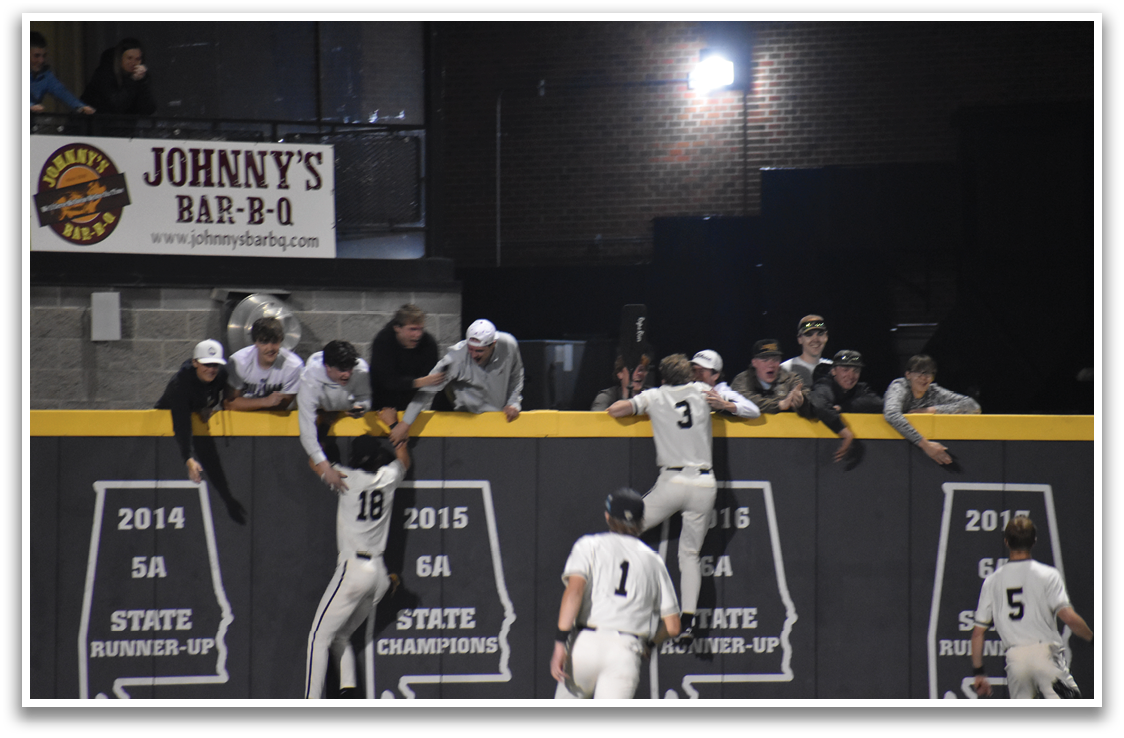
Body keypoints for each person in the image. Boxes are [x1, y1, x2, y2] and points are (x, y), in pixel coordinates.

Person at [607, 353, 712, 642]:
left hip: (673, 480)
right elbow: (740, 407)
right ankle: (687, 622)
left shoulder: (655, 395)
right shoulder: (701, 390)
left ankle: (625, 602)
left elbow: (614, 410)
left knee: (623, 534)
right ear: (689, 375)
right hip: (704, 483)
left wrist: (636, 398)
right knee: (690, 555)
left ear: (663, 378)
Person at [305, 411, 409, 699]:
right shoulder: (386, 478)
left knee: (318, 638)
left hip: (354, 570)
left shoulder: (347, 477)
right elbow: (404, 461)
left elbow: (315, 462)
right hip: (379, 574)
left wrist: (323, 423)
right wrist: (391, 424)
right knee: (340, 636)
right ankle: (349, 695)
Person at [551, 488, 681, 699]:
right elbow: (673, 626)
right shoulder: (653, 561)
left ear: (608, 516)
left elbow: (574, 592)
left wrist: (560, 644)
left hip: (587, 644)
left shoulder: (589, 545)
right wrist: (649, 644)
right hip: (626, 651)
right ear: (641, 521)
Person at [971, 516, 1092, 699]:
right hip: (1047, 661)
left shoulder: (992, 581)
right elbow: (1068, 617)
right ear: (1034, 541)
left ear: (1006, 542)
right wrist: (1092, 639)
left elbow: (978, 633)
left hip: (1016, 661)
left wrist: (979, 672)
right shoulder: (1047, 575)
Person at [390, 319, 523, 446]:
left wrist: (513, 403)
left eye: (479, 351)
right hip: (465, 423)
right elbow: (426, 391)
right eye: (470, 348)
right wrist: (405, 424)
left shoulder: (509, 345)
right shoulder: (455, 359)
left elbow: (516, 375)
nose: (473, 355)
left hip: (498, 422)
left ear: (493, 344)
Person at [298, 340, 372, 493]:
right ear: (328, 367)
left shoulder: (360, 370)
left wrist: (361, 407)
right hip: (320, 415)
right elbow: (307, 430)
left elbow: (365, 397)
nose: (347, 374)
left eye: (350, 369)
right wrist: (325, 468)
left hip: (344, 410)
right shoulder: (310, 379)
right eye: (342, 370)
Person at [154, 339, 231, 484]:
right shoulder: (180, 384)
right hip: (166, 430)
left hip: (191, 423)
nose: (211, 369)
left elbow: (214, 395)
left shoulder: (221, 376)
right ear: (195, 363)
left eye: (215, 365)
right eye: (206, 364)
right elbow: (181, 423)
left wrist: (209, 406)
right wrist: (188, 459)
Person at [883, 354, 981, 465]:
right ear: (908, 374)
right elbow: (891, 414)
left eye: (929, 373)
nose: (924, 377)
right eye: (919, 372)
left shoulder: (933, 391)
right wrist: (926, 445)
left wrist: (931, 410)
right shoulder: (899, 386)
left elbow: (973, 406)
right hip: (891, 447)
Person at [808, 350, 884, 463]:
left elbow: (878, 403)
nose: (851, 376)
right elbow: (820, 405)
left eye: (856, 371)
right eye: (845, 370)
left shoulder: (860, 388)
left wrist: (844, 407)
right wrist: (845, 433)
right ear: (833, 371)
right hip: (815, 452)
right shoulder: (824, 385)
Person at [368, 304, 442, 411]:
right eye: (412, 329)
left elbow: (430, 379)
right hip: (381, 401)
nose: (417, 334)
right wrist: (420, 382)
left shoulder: (428, 344)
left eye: (420, 329)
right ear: (397, 328)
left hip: (410, 402)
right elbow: (386, 381)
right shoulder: (383, 342)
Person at [224, 317, 303, 412]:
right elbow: (229, 404)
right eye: (264, 342)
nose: (270, 348)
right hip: (243, 418)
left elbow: (282, 406)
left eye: (274, 341)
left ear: (280, 341)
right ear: (255, 342)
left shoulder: (293, 366)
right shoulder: (239, 362)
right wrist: (265, 401)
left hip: (276, 419)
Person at [730, 339, 816, 418]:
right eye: (765, 360)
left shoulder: (791, 379)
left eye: (775, 360)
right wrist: (779, 405)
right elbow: (744, 401)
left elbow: (811, 402)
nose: (771, 364)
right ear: (754, 363)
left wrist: (802, 402)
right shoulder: (742, 380)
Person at [81, 37, 156, 116]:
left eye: (137, 59)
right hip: (97, 125)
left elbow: (149, 109)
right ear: (120, 58)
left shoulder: (141, 77)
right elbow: (116, 106)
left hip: (125, 126)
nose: (133, 62)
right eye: (129, 58)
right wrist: (132, 80)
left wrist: (142, 82)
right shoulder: (104, 74)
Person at [30, 31, 94, 115]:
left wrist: (80, 107)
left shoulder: (45, 74)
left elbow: (61, 91)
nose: (41, 61)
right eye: (36, 56)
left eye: (44, 56)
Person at [690, 349, 761, 418]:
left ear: (715, 375)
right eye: (694, 370)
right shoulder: (689, 389)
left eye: (701, 371)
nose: (696, 375)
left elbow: (754, 411)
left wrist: (724, 405)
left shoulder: (724, 393)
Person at [780, 315, 833, 386]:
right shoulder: (786, 368)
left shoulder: (832, 368)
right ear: (800, 339)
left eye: (820, 334)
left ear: (826, 337)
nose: (815, 339)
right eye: (809, 334)